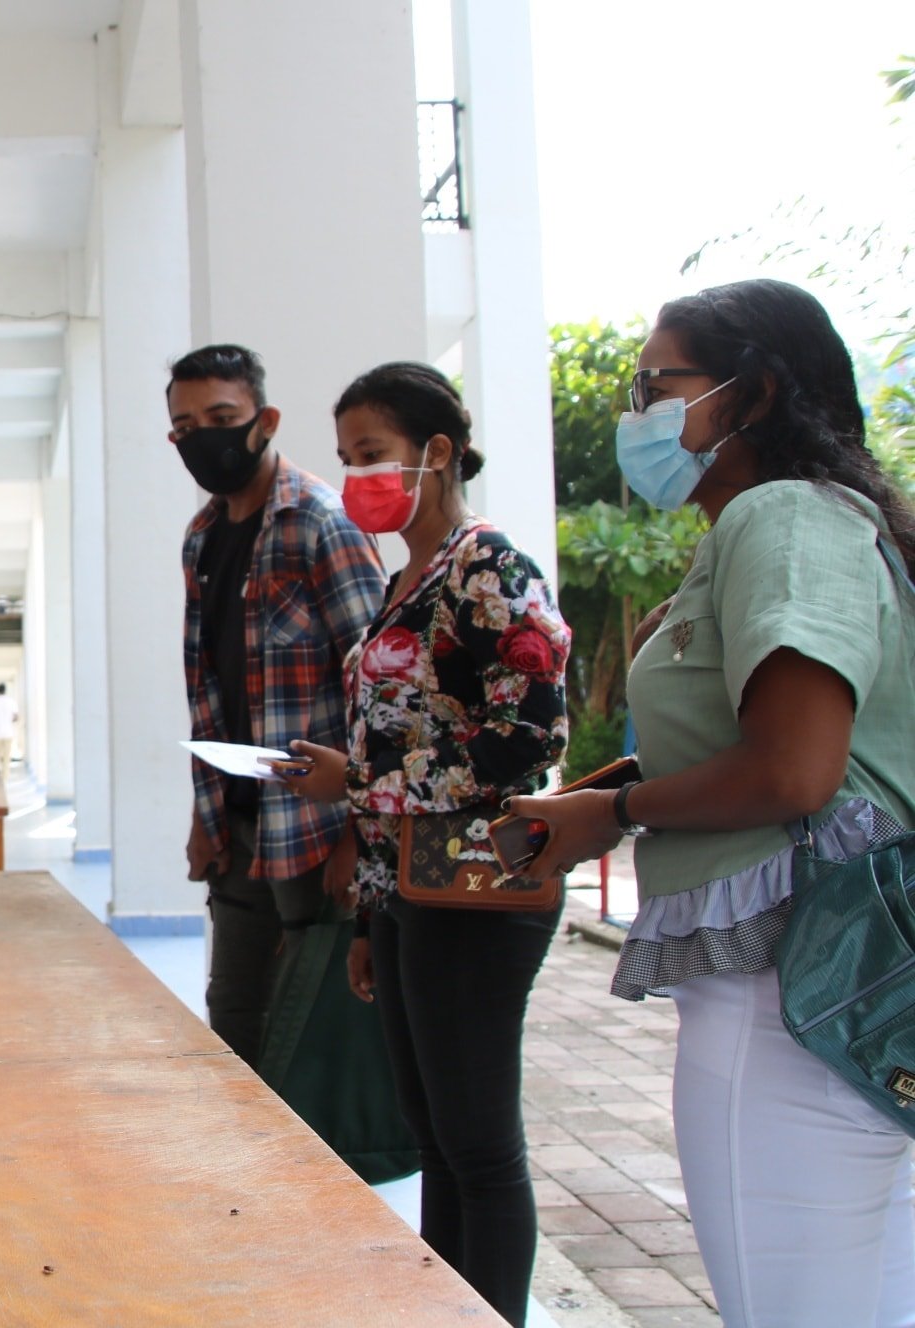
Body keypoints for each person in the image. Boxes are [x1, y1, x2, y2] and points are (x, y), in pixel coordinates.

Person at [513, 279, 915, 1325]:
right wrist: (594, 800)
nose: (635, 409)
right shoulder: (794, 525)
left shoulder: (784, 517)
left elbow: (792, 770)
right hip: (849, 994)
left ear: (756, 392)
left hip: (796, 993)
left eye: (658, 383)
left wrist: (618, 815)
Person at [283, 362, 570, 1326]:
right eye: (346, 458)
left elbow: (530, 736)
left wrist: (356, 782)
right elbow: (407, 738)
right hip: (408, 890)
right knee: (437, 1141)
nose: (356, 477)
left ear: (436, 453)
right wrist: (371, 913)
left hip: (480, 888)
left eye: (373, 455)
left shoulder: (487, 567)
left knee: (481, 1147)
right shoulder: (408, 575)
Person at [170, 344, 411, 1181]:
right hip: (241, 828)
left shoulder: (319, 520)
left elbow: (378, 686)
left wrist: (360, 833)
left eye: (221, 421)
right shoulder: (203, 538)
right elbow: (211, 690)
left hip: (316, 831)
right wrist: (204, 819)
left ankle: (320, 1223)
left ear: (265, 421)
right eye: (184, 427)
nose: (202, 438)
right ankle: (250, 1209)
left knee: (306, 1038)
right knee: (234, 1024)